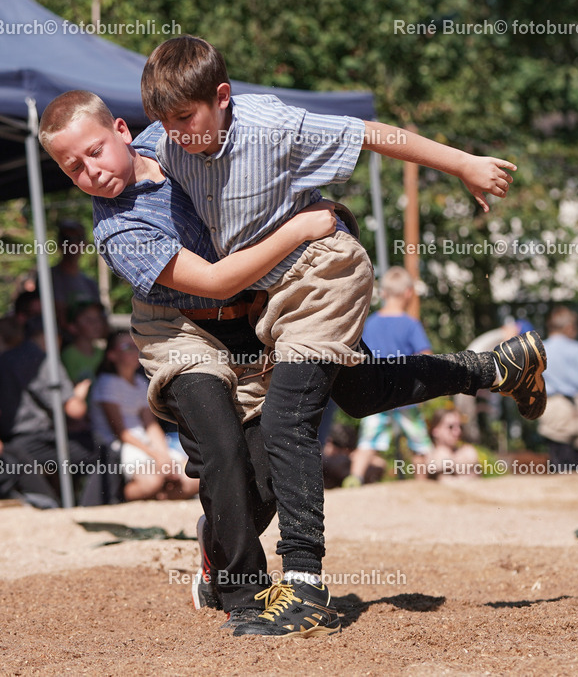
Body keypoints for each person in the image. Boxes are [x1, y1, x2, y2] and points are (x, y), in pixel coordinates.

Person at [39, 89, 547, 635]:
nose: (90, 171)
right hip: (181, 328)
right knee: (223, 449)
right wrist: (300, 229)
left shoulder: (178, 133)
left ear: (121, 130)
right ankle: (245, 596)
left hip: (257, 305)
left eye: (93, 151)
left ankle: (495, 368)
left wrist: (464, 163)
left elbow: (363, 133)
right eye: (72, 167)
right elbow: (212, 282)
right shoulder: (118, 229)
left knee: (356, 396)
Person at [0, 319, 96, 503]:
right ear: (53, 338)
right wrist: (80, 393)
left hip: (8, 440)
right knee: (102, 451)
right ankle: (90, 507)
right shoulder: (43, 360)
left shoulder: (4, 359)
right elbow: (74, 410)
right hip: (34, 440)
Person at [347, 267, 433, 486]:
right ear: (409, 293)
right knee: (418, 441)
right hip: (406, 392)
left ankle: (355, 478)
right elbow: (426, 356)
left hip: (378, 391)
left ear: (383, 293)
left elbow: (361, 356)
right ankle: (422, 484)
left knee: (367, 441)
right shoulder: (411, 324)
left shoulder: (370, 323)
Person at [90, 331, 199, 500]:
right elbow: (121, 432)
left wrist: (163, 455)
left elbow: (150, 424)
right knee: (152, 481)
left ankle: (157, 495)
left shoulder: (140, 382)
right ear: (111, 355)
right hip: (123, 446)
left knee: (192, 480)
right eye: (127, 347)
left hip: (143, 443)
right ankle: (125, 498)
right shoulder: (107, 383)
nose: (135, 351)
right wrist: (157, 456)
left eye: (136, 346)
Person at [538, 307, 578, 471]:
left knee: (559, 460)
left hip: (554, 406)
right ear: (569, 327)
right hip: (577, 406)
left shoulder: (540, 349)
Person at [52, 220, 102, 335]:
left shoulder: (90, 283)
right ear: (59, 243)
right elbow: (60, 317)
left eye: (78, 239)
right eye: (67, 239)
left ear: (85, 243)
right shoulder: (49, 278)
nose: (72, 244)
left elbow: (101, 323)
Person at [425, 409, 480, 481]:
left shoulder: (467, 451)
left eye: (460, 427)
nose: (458, 431)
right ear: (435, 430)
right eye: (450, 427)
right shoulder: (428, 455)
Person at [61, 300, 107, 384]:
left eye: (98, 319)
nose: (96, 324)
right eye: (88, 320)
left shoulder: (102, 353)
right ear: (72, 327)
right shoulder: (69, 356)